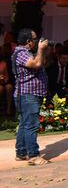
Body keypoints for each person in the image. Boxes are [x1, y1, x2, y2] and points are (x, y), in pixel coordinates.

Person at [11, 29, 49, 165]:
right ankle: (33, 155)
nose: (37, 40)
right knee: (31, 125)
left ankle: (21, 152)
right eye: (35, 39)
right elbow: (37, 64)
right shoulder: (21, 53)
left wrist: (42, 50)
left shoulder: (27, 53)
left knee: (24, 124)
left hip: (29, 95)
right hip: (28, 95)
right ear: (28, 42)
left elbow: (42, 63)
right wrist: (40, 48)